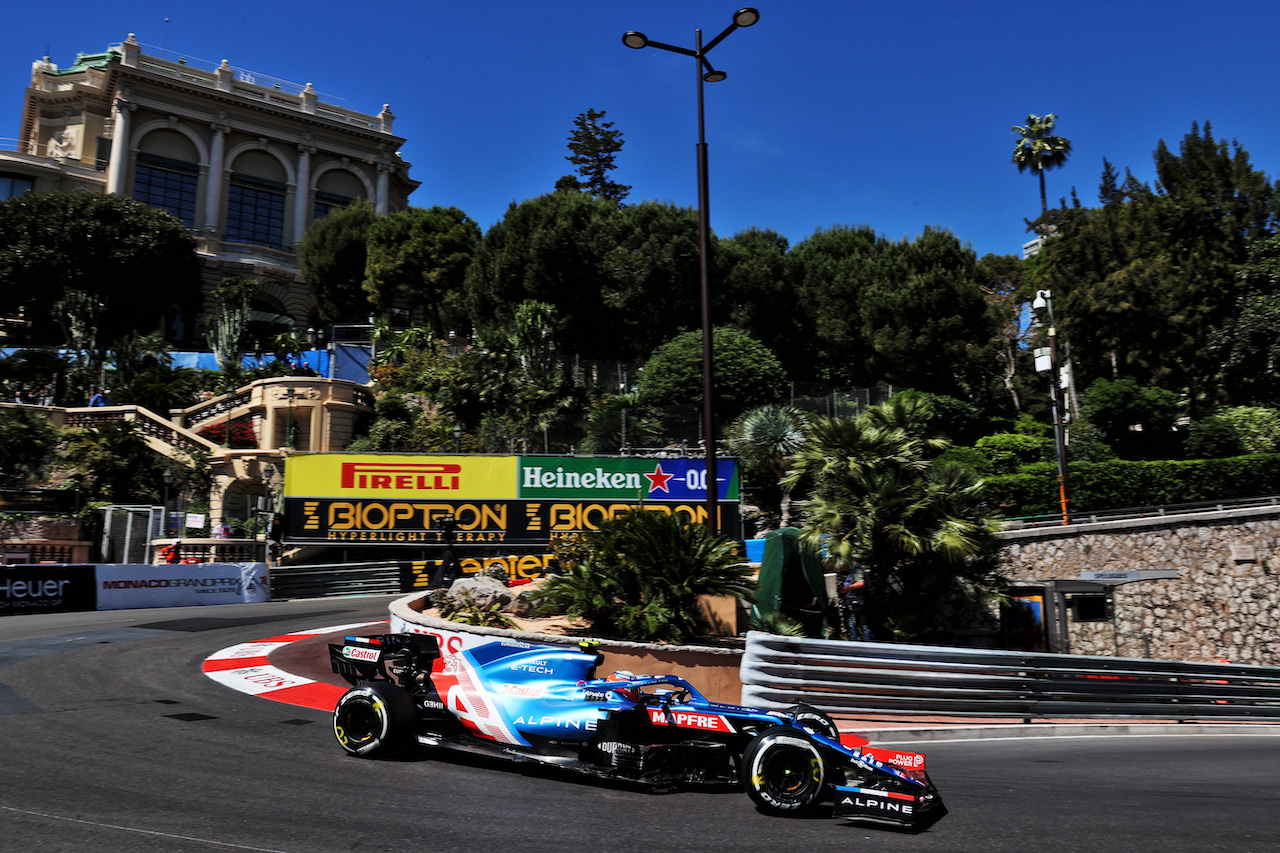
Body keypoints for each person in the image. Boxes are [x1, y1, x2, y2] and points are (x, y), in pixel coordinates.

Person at [841, 563, 871, 642]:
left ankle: (866, 645)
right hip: (852, 603)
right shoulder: (851, 572)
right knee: (852, 624)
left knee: (864, 625)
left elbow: (861, 583)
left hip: (859, 602)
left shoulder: (857, 569)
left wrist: (846, 588)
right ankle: (853, 643)